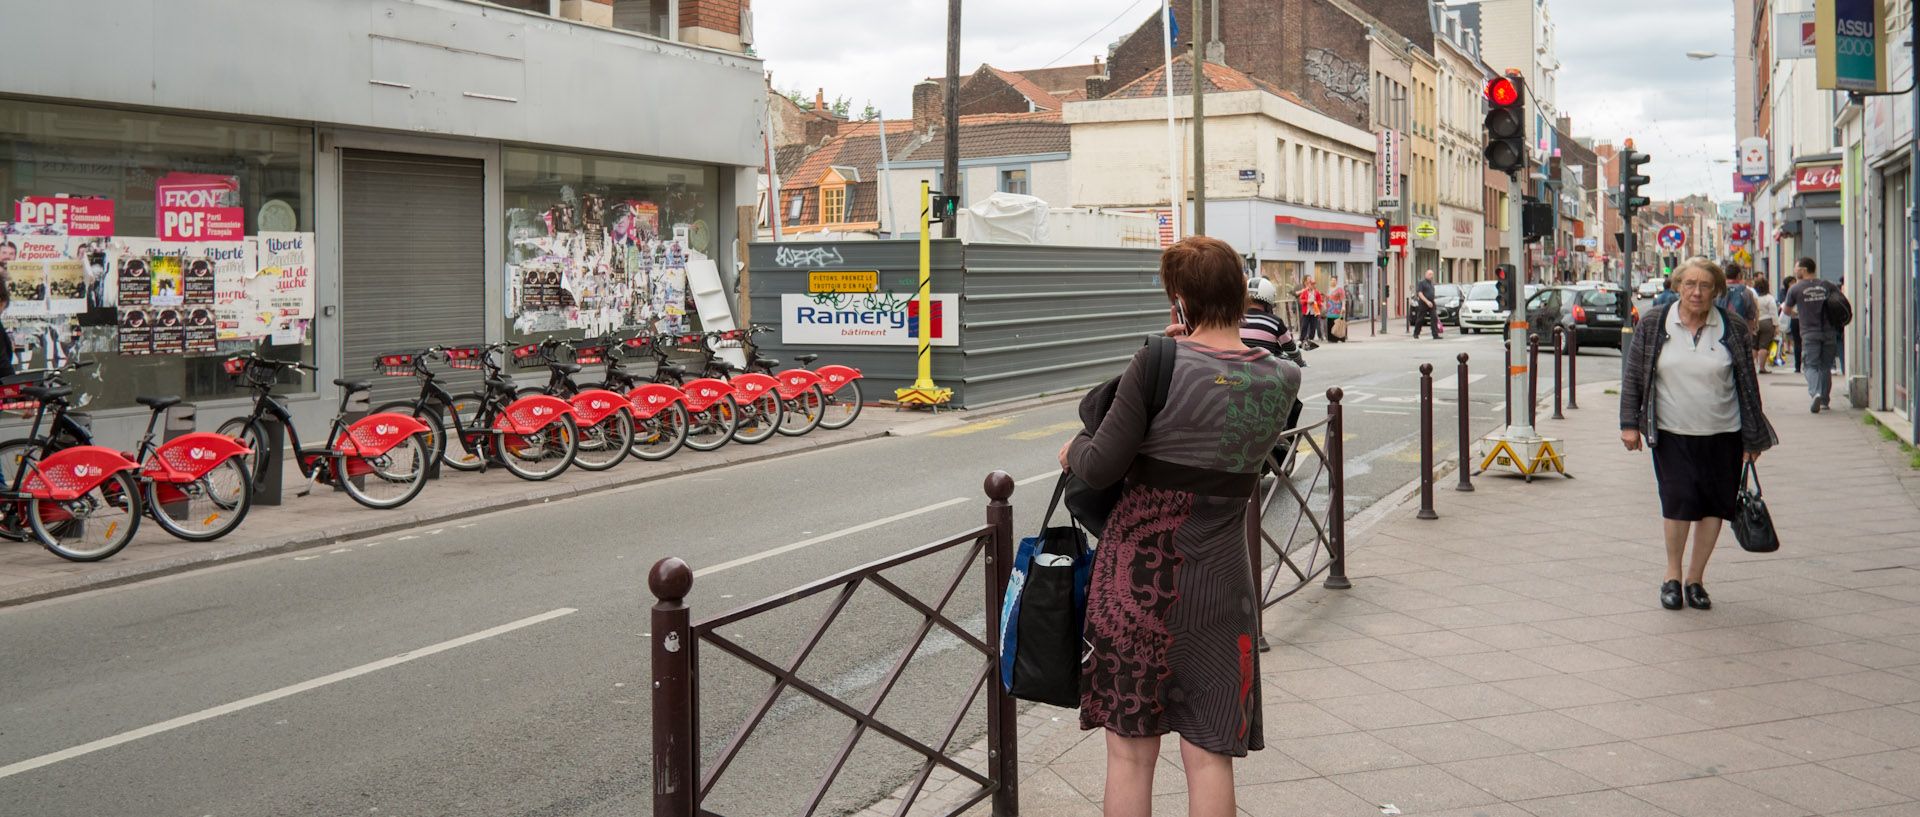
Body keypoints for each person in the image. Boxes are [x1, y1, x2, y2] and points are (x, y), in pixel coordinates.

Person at [1061, 235, 1300, 817]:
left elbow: (1099, 464)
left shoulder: (1156, 360)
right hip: (1223, 582)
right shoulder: (1284, 379)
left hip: (1139, 581)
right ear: (1242, 299)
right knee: (1210, 750)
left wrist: (1073, 449)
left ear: (1180, 301)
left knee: (1131, 755)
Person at [1620, 257, 1776, 611]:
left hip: (1724, 432)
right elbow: (1634, 376)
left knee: (1713, 506)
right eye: (1689, 284)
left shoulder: (1732, 326)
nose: (1696, 292)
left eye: (1705, 285)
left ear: (1717, 291)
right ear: (1677, 287)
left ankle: (1696, 579)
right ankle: (1671, 576)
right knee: (1677, 501)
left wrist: (1752, 439)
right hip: (1672, 431)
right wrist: (1629, 423)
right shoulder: (1656, 323)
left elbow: (1748, 385)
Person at [1783, 257, 1841, 413]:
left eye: (1796, 269)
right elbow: (1840, 303)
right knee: (1825, 366)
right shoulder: (1827, 285)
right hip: (1829, 331)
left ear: (1803, 270)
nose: (1794, 272)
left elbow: (1786, 310)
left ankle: (1815, 393)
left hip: (1809, 332)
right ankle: (1824, 401)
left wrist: (1797, 314)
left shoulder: (1795, 289)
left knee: (1810, 365)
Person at [1751, 276, 1778, 374]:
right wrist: (1776, 325)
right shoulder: (1769, 298)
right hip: (1767, 322)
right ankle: (1762, 368)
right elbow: (1773, 312)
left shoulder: (1754, 296)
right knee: (1764, 346)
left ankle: (1751, 366)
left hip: (1756, 321)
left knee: (1754, 345)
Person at [1413, 269, 1442, 338]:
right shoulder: (1422, 283)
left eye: (1432, 274)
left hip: (1431, 302)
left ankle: (1435, 334)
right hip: (1424, 302)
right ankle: (1416, 333)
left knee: (1434, 317)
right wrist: (1427, 301)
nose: (1431, 276)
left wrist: (1431, 301)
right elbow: (1420, 293)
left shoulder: (1431, 283)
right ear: (1426, 274)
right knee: (1421, 318)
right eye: (1429, 274)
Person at [1326, 277, 1346, 342]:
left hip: (1337, 309)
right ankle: (1331, 338)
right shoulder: (1328, 289)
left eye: (1334, 280)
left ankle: (1339, 337)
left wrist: (1343, 306)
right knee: (1330, 323)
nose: (1333, 281)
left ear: (1336, 281)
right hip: (1329, 310)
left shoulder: (1340, 289)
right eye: (1332, 280)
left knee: (1337, 323)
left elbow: (1343, 298)